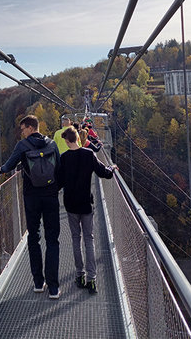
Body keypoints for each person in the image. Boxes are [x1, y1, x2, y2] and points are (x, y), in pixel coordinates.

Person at [0, 115, 61, 299]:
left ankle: (38, 282)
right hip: (50, 197)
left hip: (31, 198)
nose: (21, 132)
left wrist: (3, 169)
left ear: (31, 128)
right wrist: (54, 188)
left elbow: (8, 166)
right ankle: (54, 288)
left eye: (23, 128)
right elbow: (59, 169)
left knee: (33, 237)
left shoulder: (22, 145)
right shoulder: (52, 144)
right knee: (52, 240)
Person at [59, 125, 118, 294]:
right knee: (89, 240)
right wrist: (112, 169)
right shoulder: (89, 154)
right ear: (78, 138)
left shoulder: (64, 158)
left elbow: (59, 181)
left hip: (70, 205)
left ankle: (80, 276)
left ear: (66, 140)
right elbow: (104, 173)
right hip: (86, 204)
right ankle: (92, 280)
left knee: (76, 240)